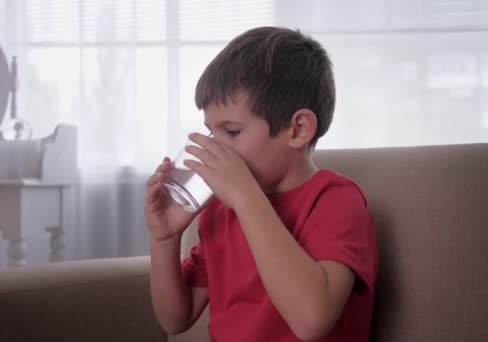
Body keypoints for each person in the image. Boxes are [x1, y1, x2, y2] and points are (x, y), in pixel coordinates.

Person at [145, 26, 378, 341]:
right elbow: (175, 319)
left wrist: (246, 198)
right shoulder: (221, 211)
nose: (217, 147)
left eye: (232, 131)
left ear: (297, 130)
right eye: (212, 132)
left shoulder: (335, 201)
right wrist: (164, 240)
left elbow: (312, 321)